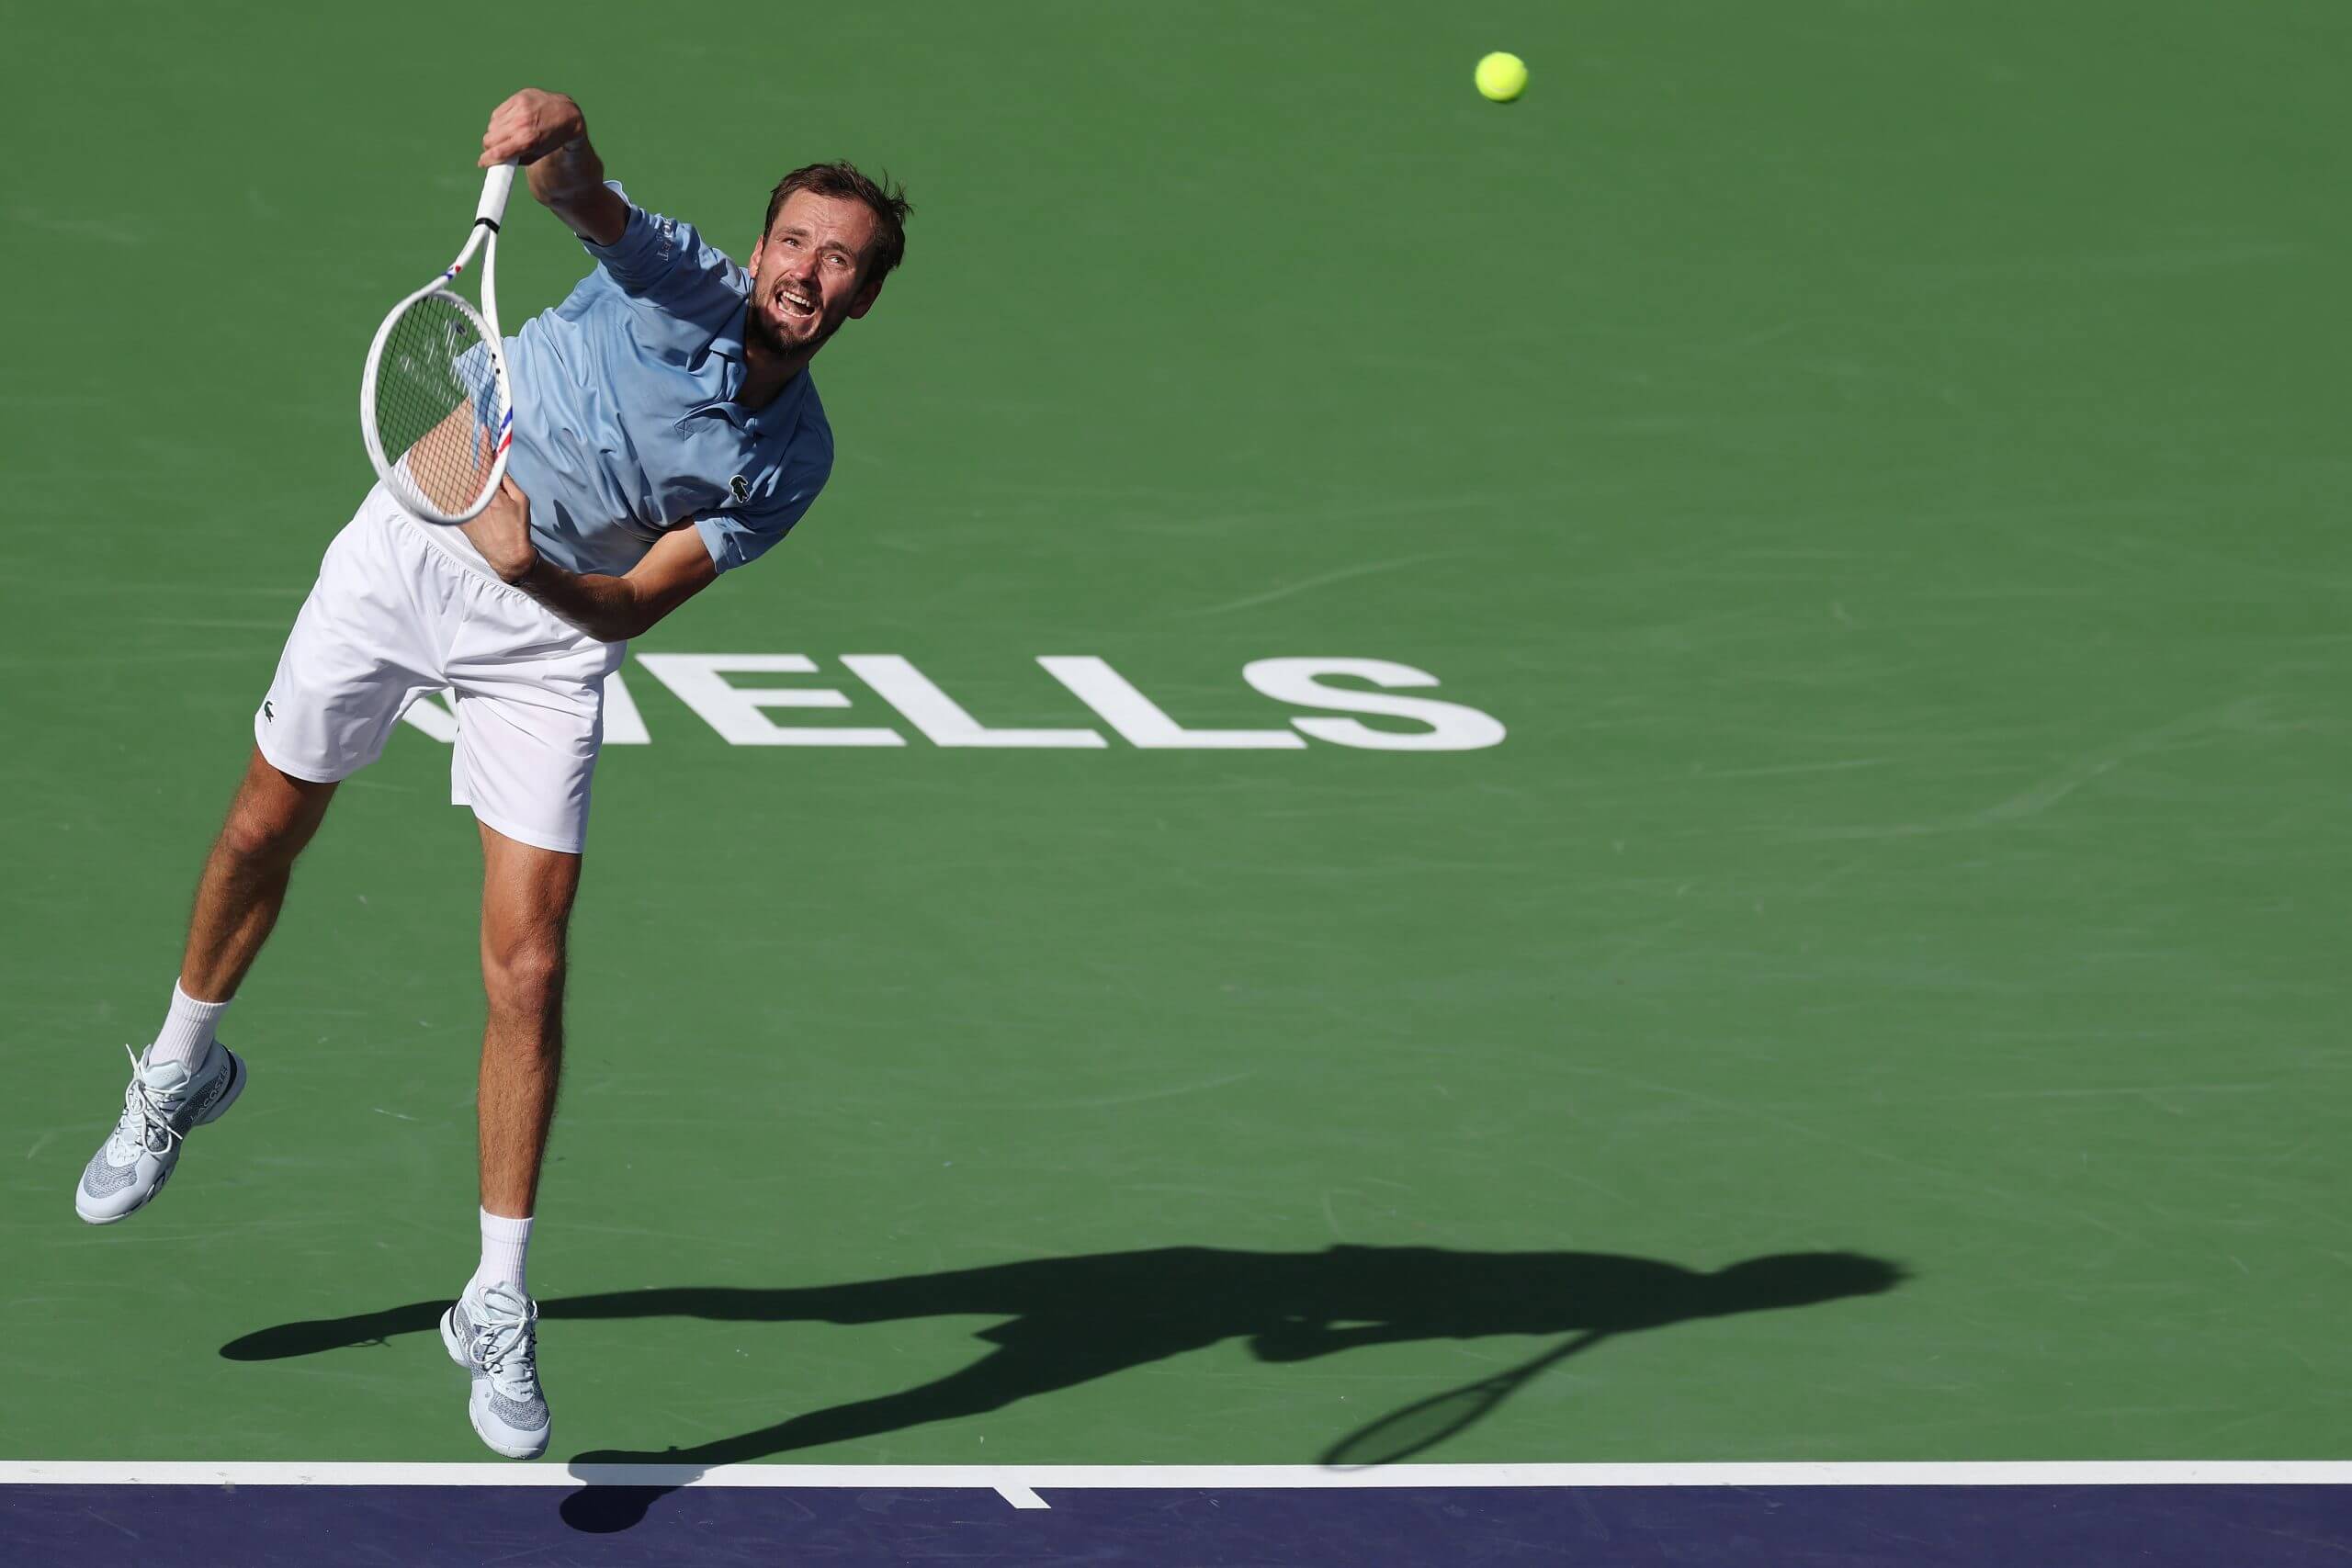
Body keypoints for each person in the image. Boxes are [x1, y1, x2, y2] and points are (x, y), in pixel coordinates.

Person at [73, 88, 910, 1461]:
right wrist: (562, 130)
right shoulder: (678, 276)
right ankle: (177, 1073)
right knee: (260, 830)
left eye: (841, 263)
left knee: (529, 963)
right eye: (796, 244)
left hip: (550, 632)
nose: (808, 274)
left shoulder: (793, 460)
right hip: (412, 541)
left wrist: (537, 576)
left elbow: (635, 603)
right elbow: (580, 193)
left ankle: (497, 1298)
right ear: (756, 249)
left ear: (863, 299)